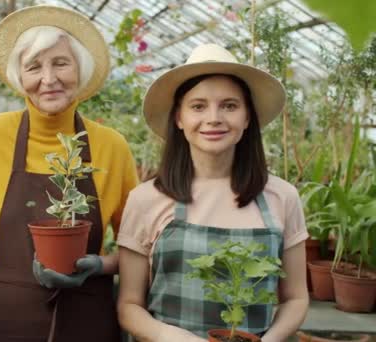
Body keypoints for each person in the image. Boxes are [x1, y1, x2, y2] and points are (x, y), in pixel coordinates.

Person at [0, 5, 138, 342]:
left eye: (60, 63)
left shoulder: (111, 146)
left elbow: (139, 249)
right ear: (19, 77)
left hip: (85, 321)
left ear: (80, 69)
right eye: (34, 67)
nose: (48, 79)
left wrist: (99, 266)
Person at [117, 43, 309, 342]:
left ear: (247, 119)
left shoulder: (282, 197)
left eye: (229, 105)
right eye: (198, 106)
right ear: (179, 118)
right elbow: (129, 306)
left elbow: (296, 298)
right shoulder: (146, 199)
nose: (214, 117)